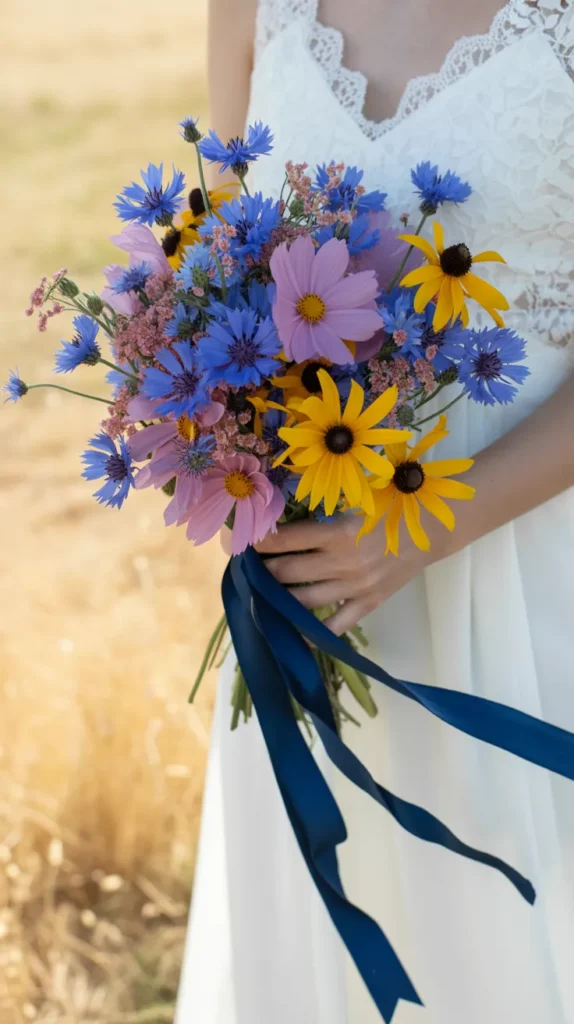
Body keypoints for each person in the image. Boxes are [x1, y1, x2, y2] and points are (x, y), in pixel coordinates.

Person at [176, 1, 574, 1020]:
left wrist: (417, 533)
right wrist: (223, 458)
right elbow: (221, 270)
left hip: (531, 579)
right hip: (311, 593)